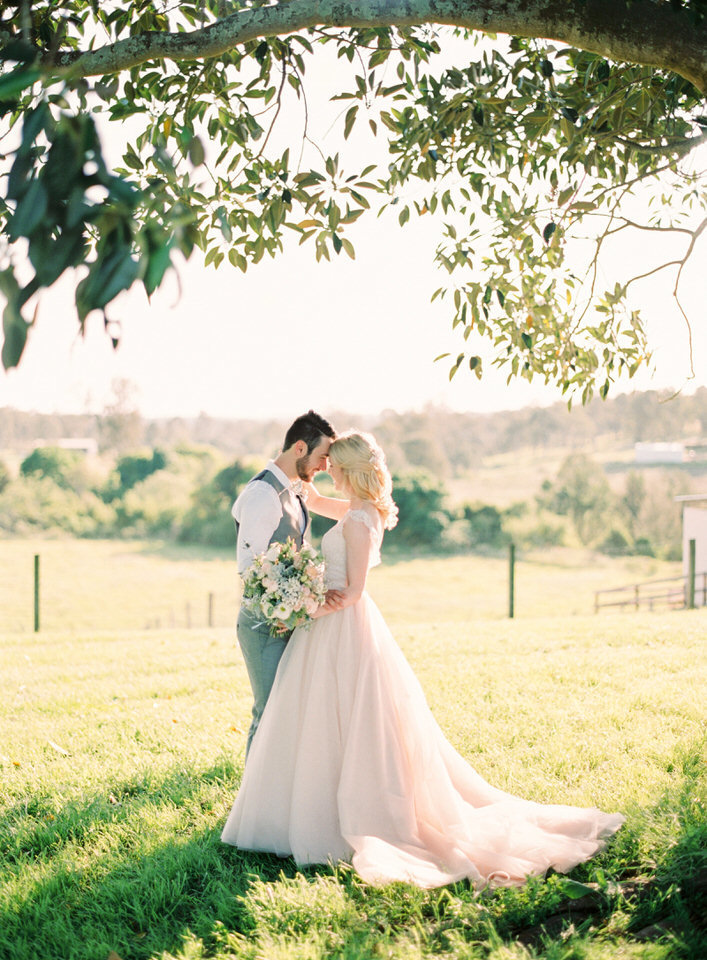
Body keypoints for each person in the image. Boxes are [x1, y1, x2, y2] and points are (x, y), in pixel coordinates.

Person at [222, 431, 624, 889]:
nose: (327, 466)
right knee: (326, 718)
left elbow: (353, 592)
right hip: (334, 626)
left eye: (333, 462)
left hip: (339, 623)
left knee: (340, 718)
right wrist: (298, 492)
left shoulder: (358, 521)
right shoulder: (363, 511)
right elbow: (322, 505)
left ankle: (339, 814)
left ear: (348, 470)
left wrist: (305, 604)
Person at [232, 410, 348, 757]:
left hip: (288, 619)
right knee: (268, 713)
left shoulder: (294, 491)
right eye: (322, 456)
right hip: (263, 626)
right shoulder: (262, 495)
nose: (326, 466)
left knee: (287, 715)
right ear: (300, 447)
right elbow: (249, 567)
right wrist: (292, 599)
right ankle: (251, 803)